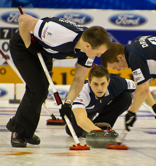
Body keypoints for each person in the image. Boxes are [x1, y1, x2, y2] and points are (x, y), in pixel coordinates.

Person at [6, 13, 111, 147]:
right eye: (98, 53)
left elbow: (79, 79)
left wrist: (68, 103)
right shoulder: (57, 34)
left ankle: (19, 125)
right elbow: (24, 20)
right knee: (37, 90)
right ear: (88, 46)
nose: (99, 56)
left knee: (41, 91)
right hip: (25, 43)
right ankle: (19, 132)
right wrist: (28, 45)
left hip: (44, 50)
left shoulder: (87, 51)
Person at [64, 65, 136, 137]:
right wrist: (102, 134)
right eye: (95, 84)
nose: (99, 88)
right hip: (84, 110)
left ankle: (102, 127)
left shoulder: (118, 83)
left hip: (103, 106)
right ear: (89, 82)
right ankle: (94, 129)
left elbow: (141, 89)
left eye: (103, 84)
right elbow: (80, 119)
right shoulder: (81, 90)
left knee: (126, 97)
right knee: (74, 132)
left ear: (108, 81)